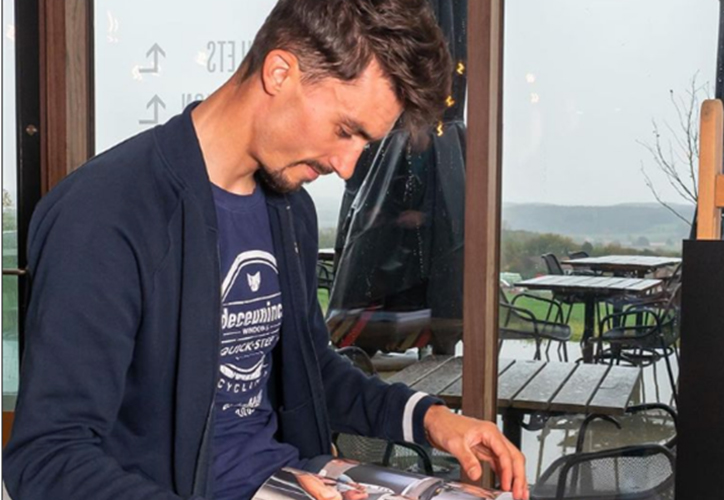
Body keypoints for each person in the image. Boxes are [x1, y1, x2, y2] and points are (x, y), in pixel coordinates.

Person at [1, 1, 528, 499]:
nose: (347, 167)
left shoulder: (288, 210)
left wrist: (431, 418)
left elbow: (309, 370)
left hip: (295, 477)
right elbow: (47, 457)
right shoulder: (105, 213)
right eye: (345, 131)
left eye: (364, 144)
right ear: (280, 72)